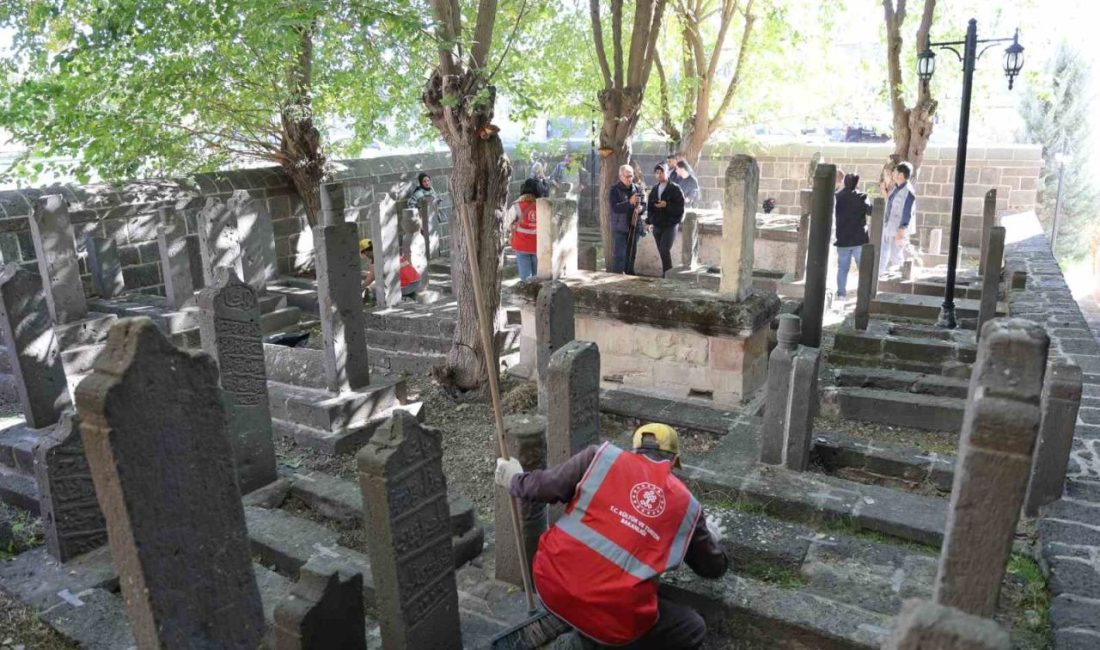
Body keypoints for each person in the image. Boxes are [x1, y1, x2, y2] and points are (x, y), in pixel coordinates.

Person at [495, 423, 729, 649]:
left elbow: (543, 487)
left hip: (551, 582)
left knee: (630, 594)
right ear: (674, 461)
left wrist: (514, 479)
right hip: (614, 614)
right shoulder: (687, 506)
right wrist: (708, 536)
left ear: (634, 449)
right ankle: (587, 644)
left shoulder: (599, 458)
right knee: (693, 628)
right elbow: (713, 568)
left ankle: (575, 625)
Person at [834, 173, 871, 300]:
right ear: (857, 183)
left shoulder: (837, 197)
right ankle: (864, 294)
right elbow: (870, 211)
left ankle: (841, 294)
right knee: (863, 269)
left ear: (844, 182)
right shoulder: (862, 197)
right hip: (859, 239)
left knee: (842, 269)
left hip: (843, 239)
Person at [646, 163, 686, 277]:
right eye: (657, 173)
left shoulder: (675, 188)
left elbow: (680, 209)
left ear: (667, 173)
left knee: (664, 249)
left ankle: (667, 275)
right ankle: (667, 274)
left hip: (670, 224)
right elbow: (650, 208)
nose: (659, 175)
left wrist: (667, 205)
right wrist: (648, 221)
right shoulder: (654, 189)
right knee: (662, 252)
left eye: (662, 172)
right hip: (657, 224)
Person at [608, 164, 647, 274]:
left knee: (631, 255)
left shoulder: (638, 188)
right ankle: (616, 277)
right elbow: (615, 208)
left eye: (631, 176)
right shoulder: (614, 190)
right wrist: (629, 202)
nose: (630, 178)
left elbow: (644, 204)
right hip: (620, 228)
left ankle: (629, 276)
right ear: (620, 176)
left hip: (634, 227)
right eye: (627, 176)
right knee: (620, 256)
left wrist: (641, 209)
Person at [880, 161, 917, 275]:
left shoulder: (908, 192)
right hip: (889, 226)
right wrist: (884, 191)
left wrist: (901, 231)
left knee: (896, 255)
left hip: (898, 229)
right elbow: (890, 203)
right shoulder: (896, 188)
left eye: (895, 172)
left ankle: (900, 277)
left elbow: (907, 213)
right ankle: (879, 276)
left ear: (901, 175)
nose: (893, 174)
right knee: (883, 253)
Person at [508, 179, 540, 280]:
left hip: (521, 245)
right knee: (538, 277)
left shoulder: (516, 206)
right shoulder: (542, 206)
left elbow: (506, 223)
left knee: (526, 279)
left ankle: (527, 289)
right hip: (538, 245)